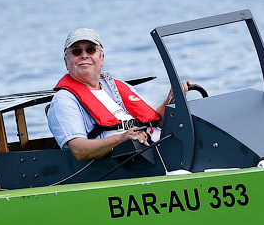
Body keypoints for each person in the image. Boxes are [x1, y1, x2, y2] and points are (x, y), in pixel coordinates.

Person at [47, 27, 196, 161]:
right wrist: (122, 138)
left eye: (91, 50)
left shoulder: (118, 86)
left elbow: (157, 118)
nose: (84, 55)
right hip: (125, 165)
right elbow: (79, 150)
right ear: (66, 62)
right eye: (76, 51)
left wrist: (172, 98)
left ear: (102, 58)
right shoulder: (64, 100)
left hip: (162, 151)